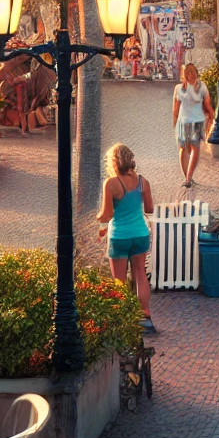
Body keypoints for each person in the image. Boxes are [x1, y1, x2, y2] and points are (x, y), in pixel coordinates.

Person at [97, 143, 156, 333]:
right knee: (140, 274)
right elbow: (149, 209)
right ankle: (145, 316)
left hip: (119, 237)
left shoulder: (111, 183)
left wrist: (96, 217)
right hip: (140, 233)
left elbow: (106, 215)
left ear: (114, 162)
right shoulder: (142, 181)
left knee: (119, 280)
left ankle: (122, 320)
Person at [172, 63, 214, 188]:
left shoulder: (178, 88)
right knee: (195, 149)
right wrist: (212, 116)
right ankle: (189, 177)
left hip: (183, 121)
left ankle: (186, 178)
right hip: (198, 120)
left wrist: (174, 123)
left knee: (182, 149)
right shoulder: (202, 87)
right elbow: (207, 105)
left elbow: (175, 109)